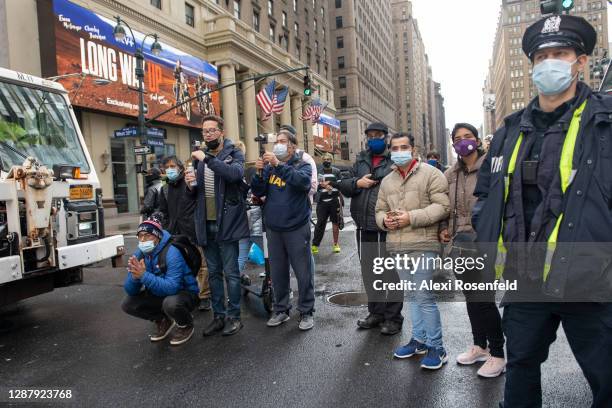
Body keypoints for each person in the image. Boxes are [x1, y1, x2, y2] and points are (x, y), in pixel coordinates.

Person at [472, 15, 612, 407]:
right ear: (532, 65)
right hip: (525, 278)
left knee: (606, 374)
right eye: (542, 56)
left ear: (580, 61)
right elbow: (486, 192)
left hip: (590, 280)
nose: (550, 62)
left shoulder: (604, 122)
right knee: (521, 366)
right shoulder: (510, 130)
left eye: (561, 53)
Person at [375, 133, 450, 370]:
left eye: (404, 147)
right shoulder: (387, 181)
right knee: (412, 296)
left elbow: (443, 207)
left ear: (413, 149)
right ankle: (418, 340)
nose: (399, 151)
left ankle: (437, 347)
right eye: (395, 148)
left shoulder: (431, 174)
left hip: (423, 245)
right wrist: (384, 222)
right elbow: (379, 210)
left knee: (424, 295)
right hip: (397, 246)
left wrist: (411, 217)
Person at [439, 123, 505, 378]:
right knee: (471, 298)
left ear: (477, 141)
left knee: (485, 300)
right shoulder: (450, 174)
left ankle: (498, 354)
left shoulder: (491, 169)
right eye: (458, 138)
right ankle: (480, 346)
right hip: (460, 244)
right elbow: (444, 207)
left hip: (486, 242)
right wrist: (444, 229)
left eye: (468, 137)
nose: (463, 141)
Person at [185, 115, 250, 337]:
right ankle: (218, 316)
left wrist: (207, 159)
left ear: (221, 132)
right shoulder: (198, 159)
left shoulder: (234, 153)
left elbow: (235, 174)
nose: (208, 134)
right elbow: (196, 193)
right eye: (205, 131)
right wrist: (190, 185)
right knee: (213, 273)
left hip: (228, 224)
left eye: (212, 130)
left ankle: (234, 317)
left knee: (231, 274)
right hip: (206, 223)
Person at [337, 122, 404, 335]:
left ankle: (393, 317)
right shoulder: (361, 160)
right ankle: (376, 312)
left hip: (387, 227)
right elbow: (344, 185)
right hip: (363, 226)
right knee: (369, 272)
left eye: (378, 135)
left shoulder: (394, 160)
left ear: (385, 137)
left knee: (390, 273)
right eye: (370, 135)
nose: (373, 139)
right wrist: (358, 183)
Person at [251, 128, 315, 331]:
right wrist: (259, 173)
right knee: (277, 273)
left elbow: (302, 183)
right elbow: (258, 191)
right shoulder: (270, 169)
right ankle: (281, 309)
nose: (277, 144)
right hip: (274, 229)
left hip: (296, 227)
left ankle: (306, 311)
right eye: (276, 141)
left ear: (292, 145)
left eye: (282, 141)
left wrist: (278, 165)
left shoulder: (302, 165)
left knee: (303, 272)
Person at [121, 216, 200, 346]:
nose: (142, 240)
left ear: (157, 236)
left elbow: (172, 287)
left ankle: (186, 324)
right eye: (140, 236)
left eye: (147, 236)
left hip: (184, 293)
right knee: (128, 303)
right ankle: (163, 320)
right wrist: (135, 278)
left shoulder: (172, 252)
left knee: (171, 303)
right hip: (159, 293)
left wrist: (143, 275)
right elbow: (129, 290)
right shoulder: (140, 252)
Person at [158, 155, 211, 312]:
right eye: (166, 167)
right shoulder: (165, 189)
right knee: (180, 266)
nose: (169, 170)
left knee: (202, 265)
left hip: (193, 230)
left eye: (172, 166)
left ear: (180, 167)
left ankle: (204, 296)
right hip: (174, 234)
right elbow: (163, 211)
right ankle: (188, 295)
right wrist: (166, 229)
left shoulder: (189, 182)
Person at [312, 153, 343, 254]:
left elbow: (341, 185)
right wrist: (323, 186)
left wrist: (330, 184)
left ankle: (336, 244)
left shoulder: (337, 171)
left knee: (335, 223)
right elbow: (314, 186)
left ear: (332, 160)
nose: (327, 161)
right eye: (325, 159)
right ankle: (315, 245)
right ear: (322, 160)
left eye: (329, 159)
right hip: (322, 202)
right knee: (320, 223)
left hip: (334, 201)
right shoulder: (318, 172)